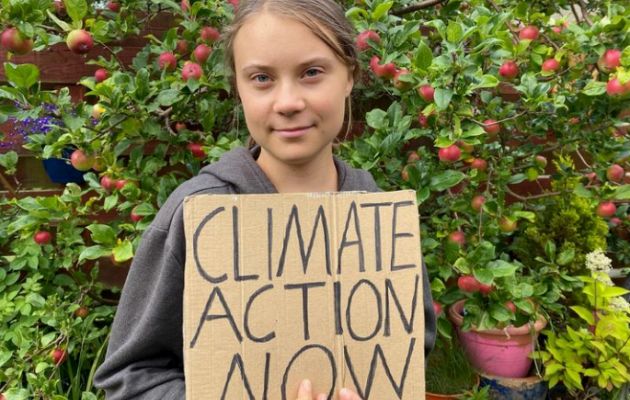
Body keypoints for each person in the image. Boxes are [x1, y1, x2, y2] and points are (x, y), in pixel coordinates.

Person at [93, 0, 436, 398]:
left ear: (349, 77)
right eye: (261, 78)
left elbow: (409, 347)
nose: (288, 102)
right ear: (237, 87)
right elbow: (129, 377)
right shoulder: (196, 213)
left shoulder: (376, 212)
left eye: (311, 72)